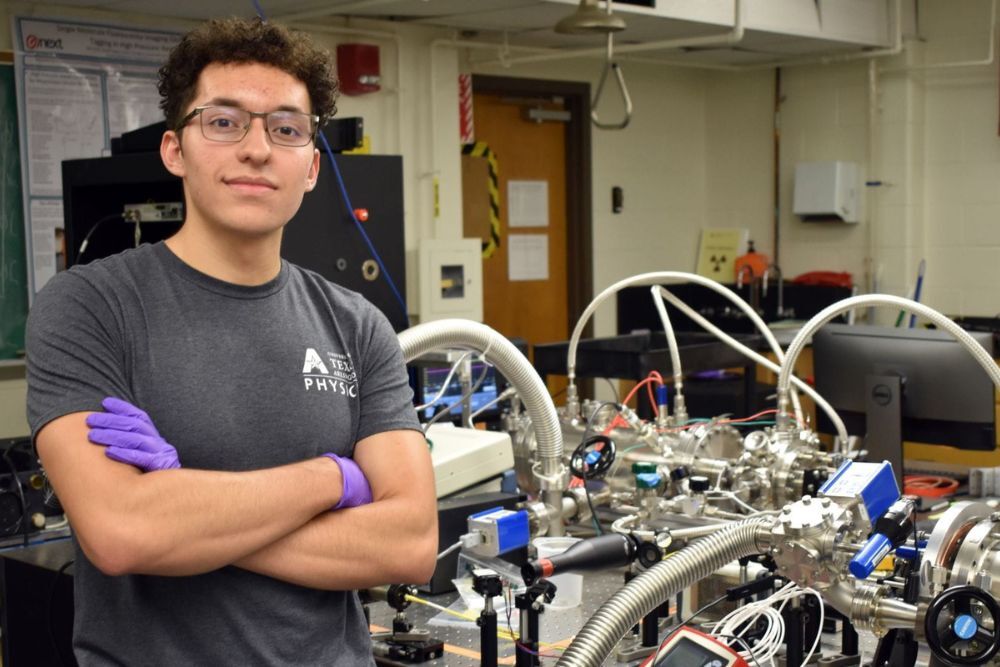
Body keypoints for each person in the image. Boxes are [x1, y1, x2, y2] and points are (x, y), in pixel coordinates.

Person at [25, 16, 437, 666]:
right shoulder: (90, 307)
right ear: (174, 150)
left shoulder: (358, 326)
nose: (256, 149)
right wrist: (333, 478)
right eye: (224, 122)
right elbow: (122, 533)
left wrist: (184, 509)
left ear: (311, 166)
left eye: (286, 129)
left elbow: (410, 543)